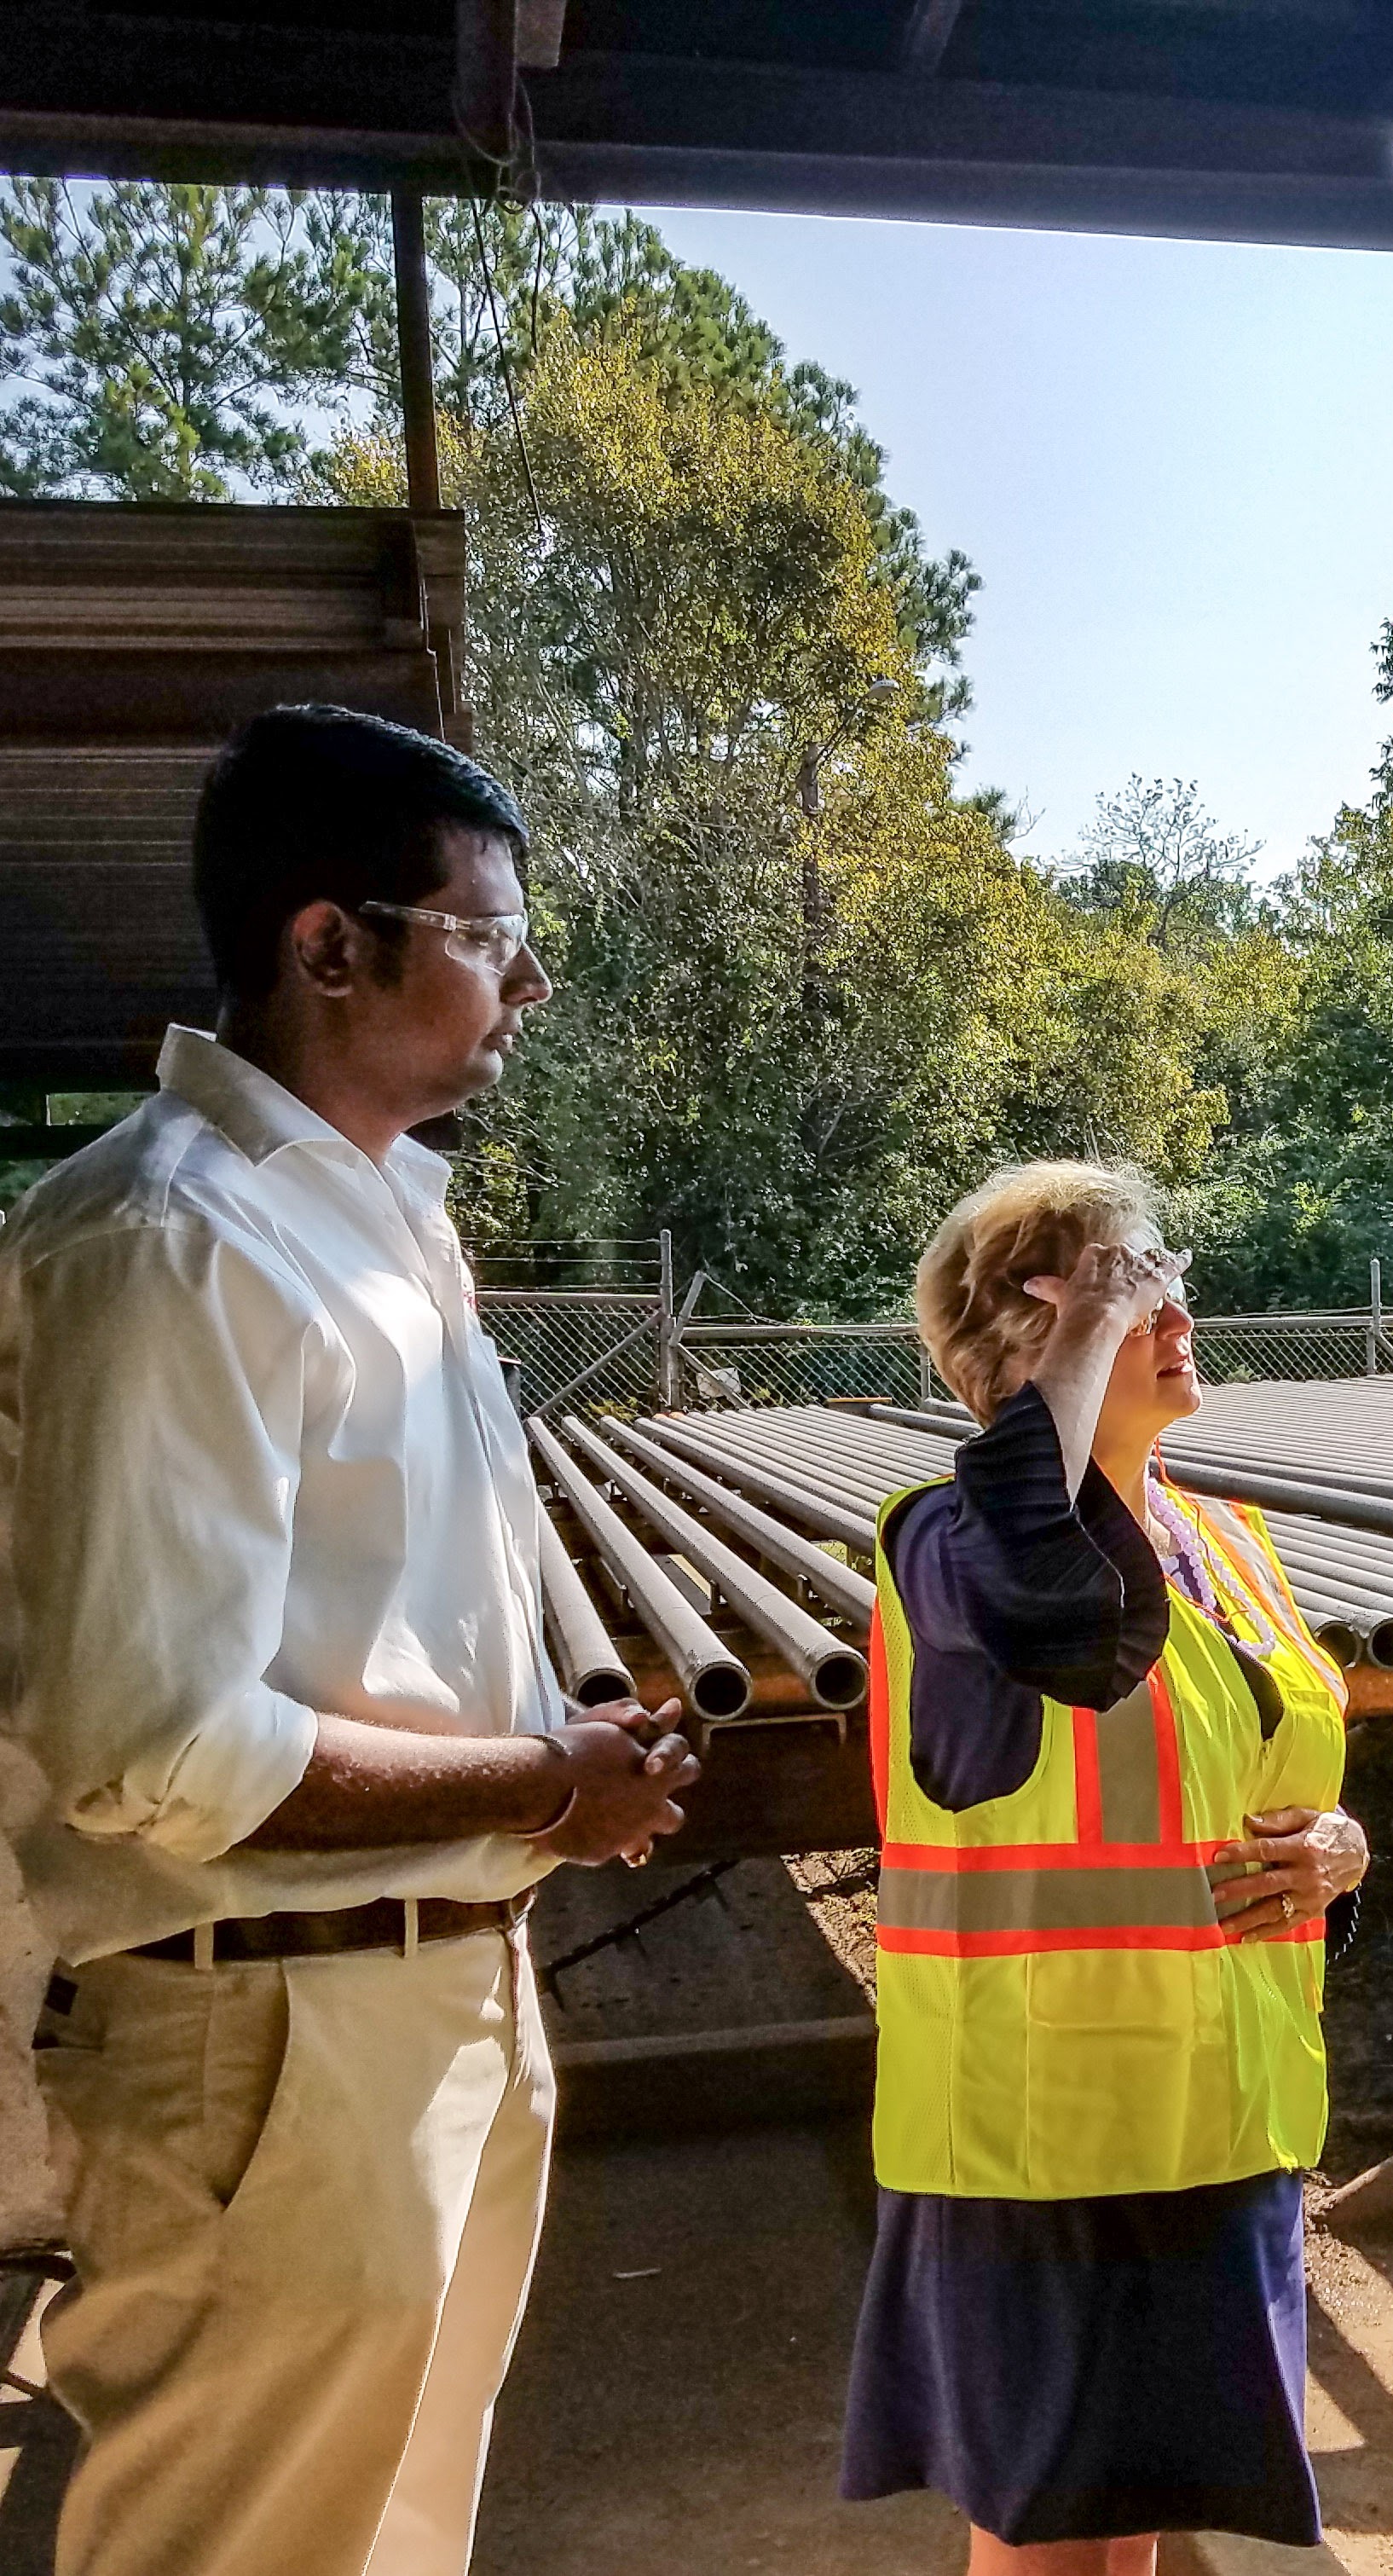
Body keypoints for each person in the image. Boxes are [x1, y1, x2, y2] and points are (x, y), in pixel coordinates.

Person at [1, 704, 697, 2576]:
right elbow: (160, 1743)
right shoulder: (172, 1237)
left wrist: (556, 1743)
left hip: (442, 1991)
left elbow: (376, 1632)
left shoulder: (388, 1230)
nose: (527, 982)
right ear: (331, 943)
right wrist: (549, 1780)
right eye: (488, 933)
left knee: (389, 2544)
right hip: (274, 2025)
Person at [841, 1161, 1370, 2575]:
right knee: (1053, 2538)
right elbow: (1039, 1580)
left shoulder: (1223, 1542)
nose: (1174, 1306)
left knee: (1125, 2520)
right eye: (1133, 1283)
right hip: (1045, 2144)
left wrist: (1339, 1849)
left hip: (1217, 2118)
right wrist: (1076, 1341)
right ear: (1037, 1325)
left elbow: (1264, 1776)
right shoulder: (948, 1544)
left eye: (1164, 1273)